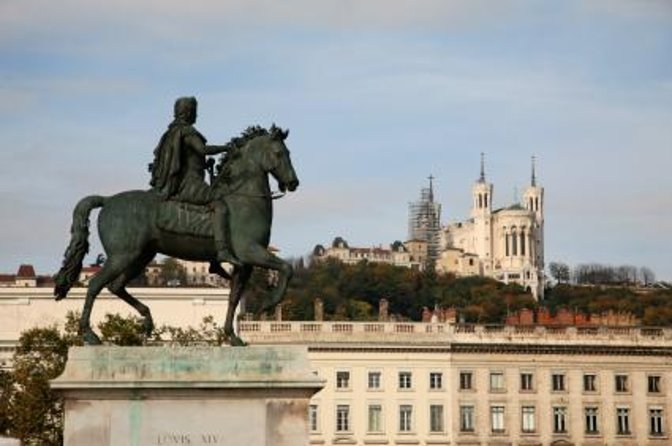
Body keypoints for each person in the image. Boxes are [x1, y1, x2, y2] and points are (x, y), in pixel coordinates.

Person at [150, 96, 240, 266]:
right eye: (195, 111)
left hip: (181, 181)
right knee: (221, 205)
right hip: (189, 184)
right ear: (189, 112)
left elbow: (189, 157)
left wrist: (205, 164)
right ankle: (220, 252)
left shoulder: (170, 133)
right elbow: (202, 149)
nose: (196, 115)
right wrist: (227, 148)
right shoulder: (187, 131)